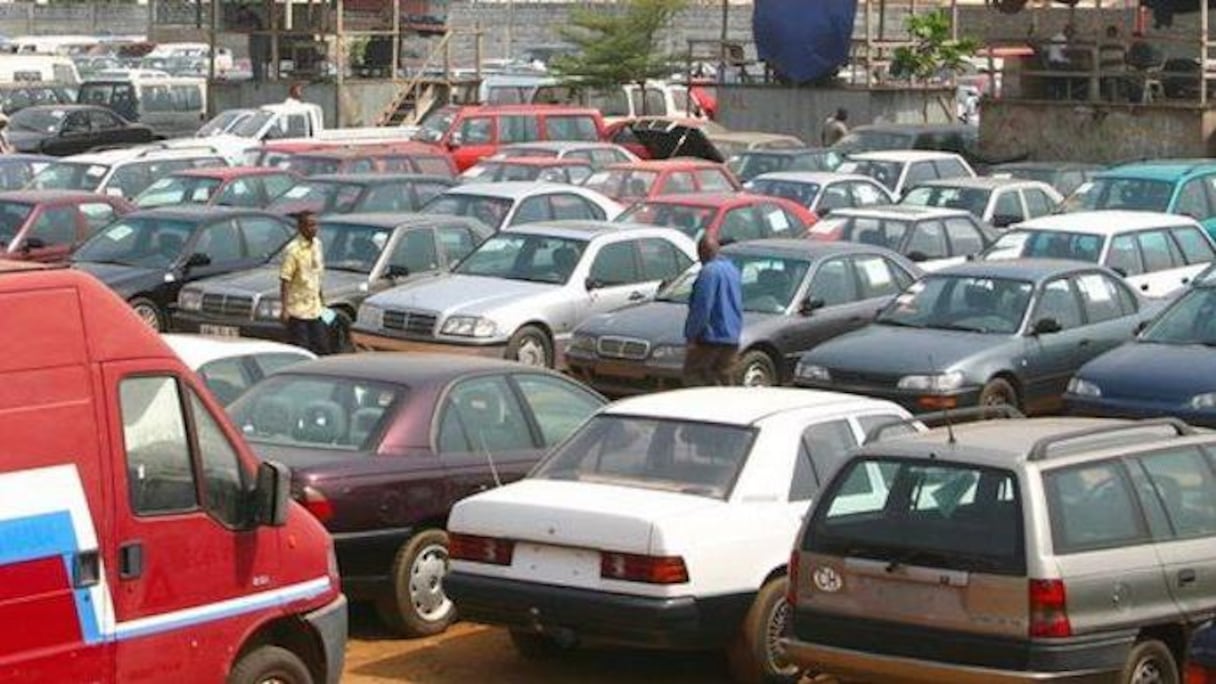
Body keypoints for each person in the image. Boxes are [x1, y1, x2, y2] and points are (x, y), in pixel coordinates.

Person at [683, 235, 743, 387]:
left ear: (702, 253)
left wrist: (691, 335)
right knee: (725, 378)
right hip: (731, 337)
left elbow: (702, 307)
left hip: (710, 338)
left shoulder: (708, 272)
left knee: (694, 376)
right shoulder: (732, 270)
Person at [280, 211, 330, 355]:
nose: (313, 228)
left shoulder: (317, 245)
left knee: (322, 347)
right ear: (301, 227)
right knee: (302, 350)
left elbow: (317, 276)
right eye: (310, 225)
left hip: (315, 308)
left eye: (315, 225)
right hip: (298, 310)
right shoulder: (293, 250)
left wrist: (322, 301)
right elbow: (285, 279)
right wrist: (285, 309)